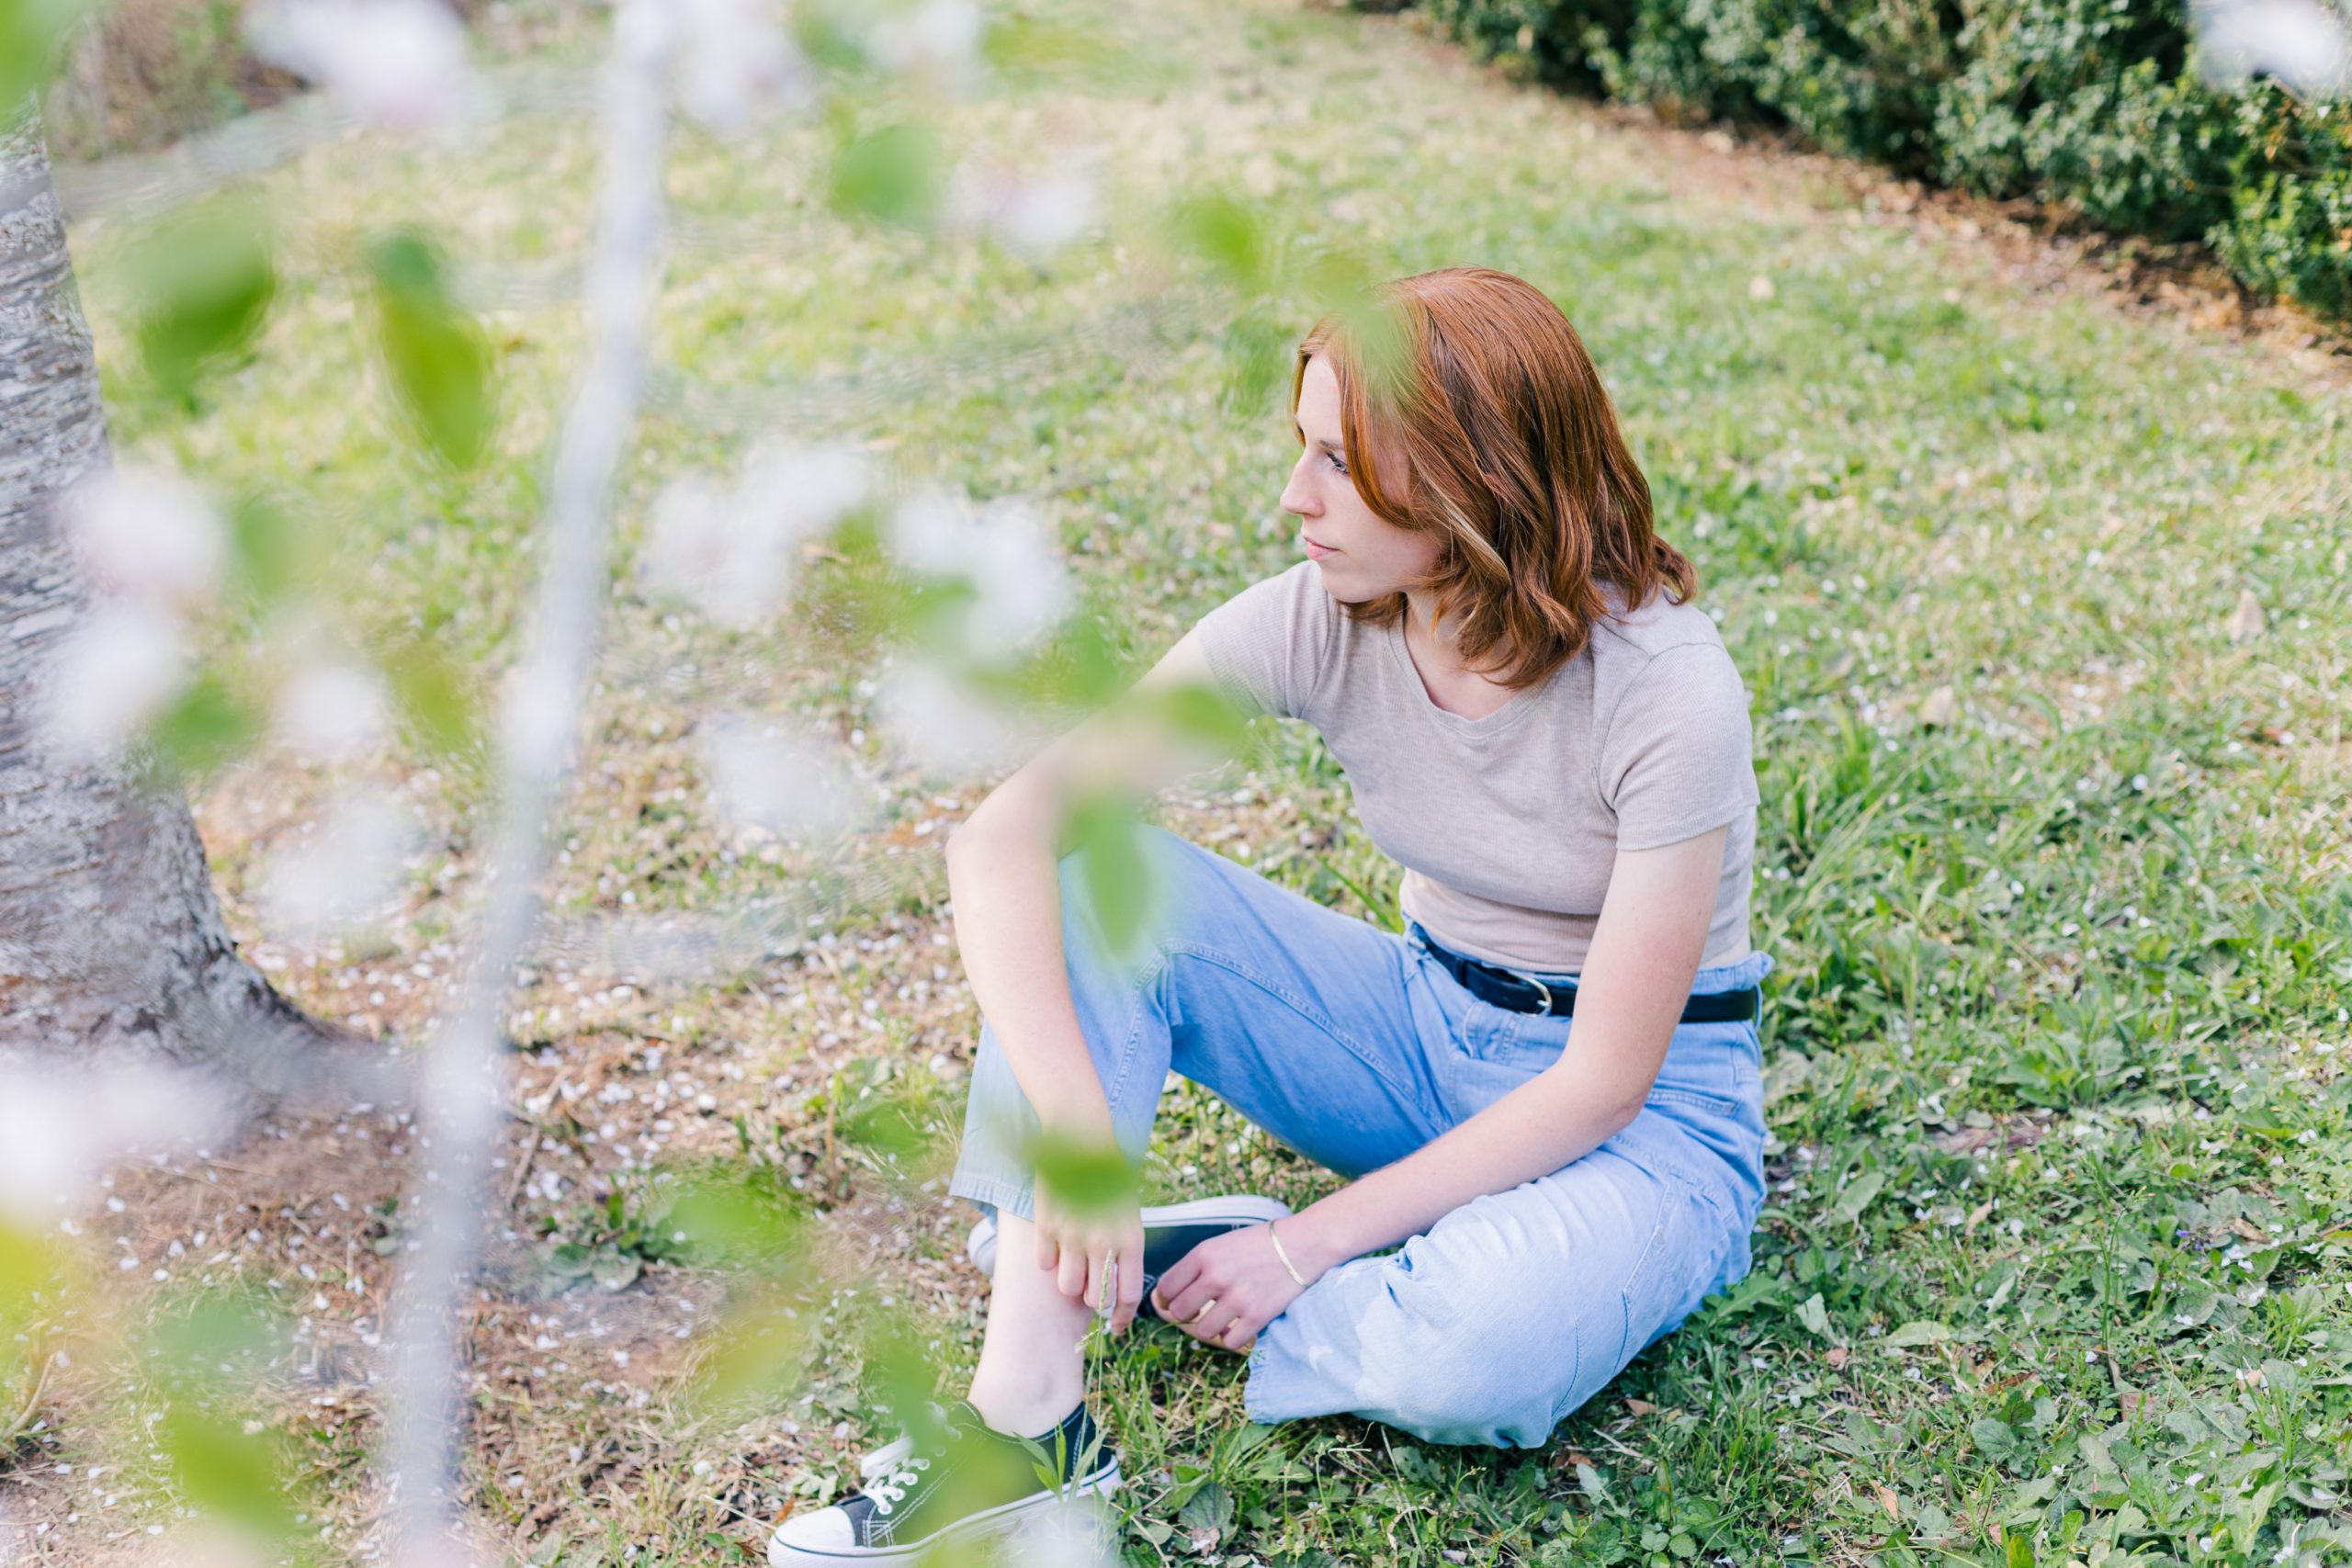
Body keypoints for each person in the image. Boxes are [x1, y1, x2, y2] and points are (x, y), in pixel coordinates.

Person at [768, 266, 1769, 1566]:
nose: (1296, 498)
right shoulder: (1325, 616)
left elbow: (1599, 1087)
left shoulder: (1667, 692)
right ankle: (1025, 1429)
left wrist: (1305, 1246)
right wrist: (1075, 1138)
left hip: (1647, 1127)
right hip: (1420, 1032)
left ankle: (1243, 1263)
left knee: (1470, 1360)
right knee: (1101, 891)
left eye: (1341, 465)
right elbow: (1007, 838)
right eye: (1302, 449)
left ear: (1477, 484)